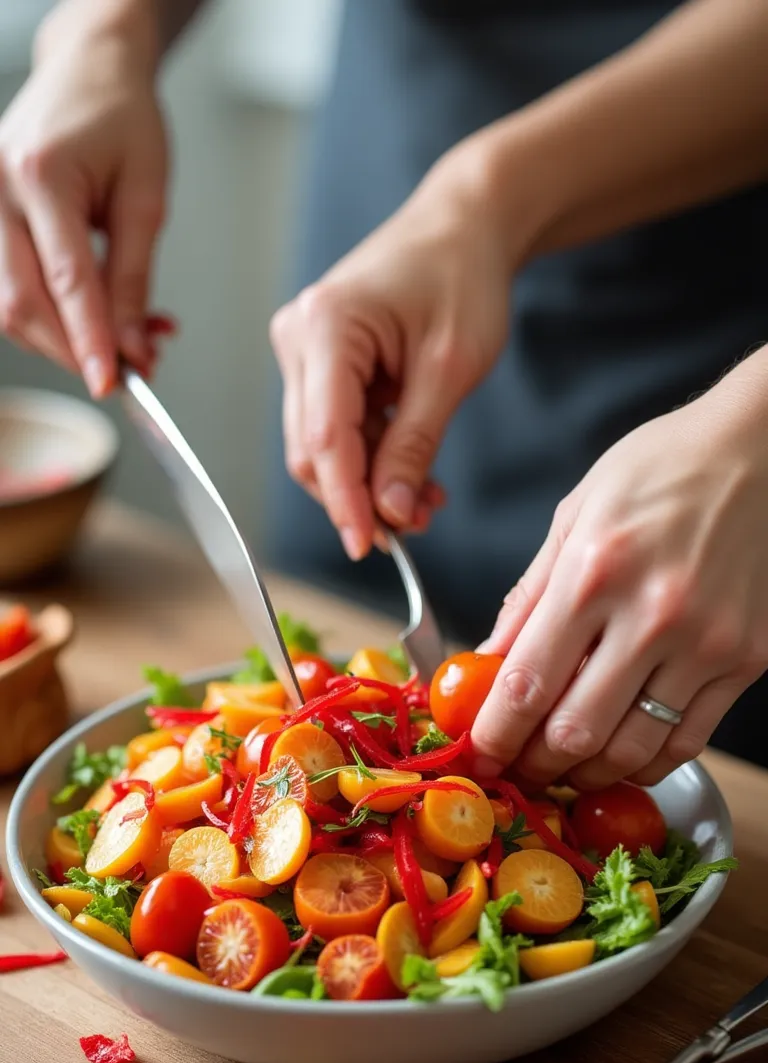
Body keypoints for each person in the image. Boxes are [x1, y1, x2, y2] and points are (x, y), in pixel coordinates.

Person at [1, 0, 768, 788]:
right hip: (402, 171)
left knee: (676, 730)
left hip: (715, 329)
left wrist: (755, 433)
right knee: (341, 547)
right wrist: (105, 30)